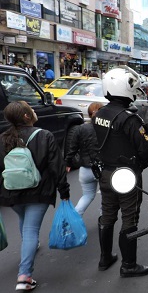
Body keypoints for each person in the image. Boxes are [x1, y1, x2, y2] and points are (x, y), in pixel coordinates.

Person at [0, 101, 70, 291]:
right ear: (26, 116)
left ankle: (28, 249)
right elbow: (57, 166)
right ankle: (24, 277)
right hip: (38, 191)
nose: (33, 111)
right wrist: (64, 191)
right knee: (31, 230)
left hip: (11, 192)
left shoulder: (3, 138)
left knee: (24, 221)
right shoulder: (44, 135)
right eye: (31, 109)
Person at [93, 66, 148, 277]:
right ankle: (128, 265)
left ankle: (105, 258)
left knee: (108, 216)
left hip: (106, 172)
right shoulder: (130, 119)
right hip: (126, 176)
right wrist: (140, 166)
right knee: (130, 219)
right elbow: (145, 152)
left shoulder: (100, 112)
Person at [64, 102, 104, 215]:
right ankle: (104, 222)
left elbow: (72, 148)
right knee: (106, 197)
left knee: (87, 196)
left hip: (85, 169)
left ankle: (74, 220)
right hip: (102, 168)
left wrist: (68, 163)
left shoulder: (80, 129)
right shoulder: (105, 128)